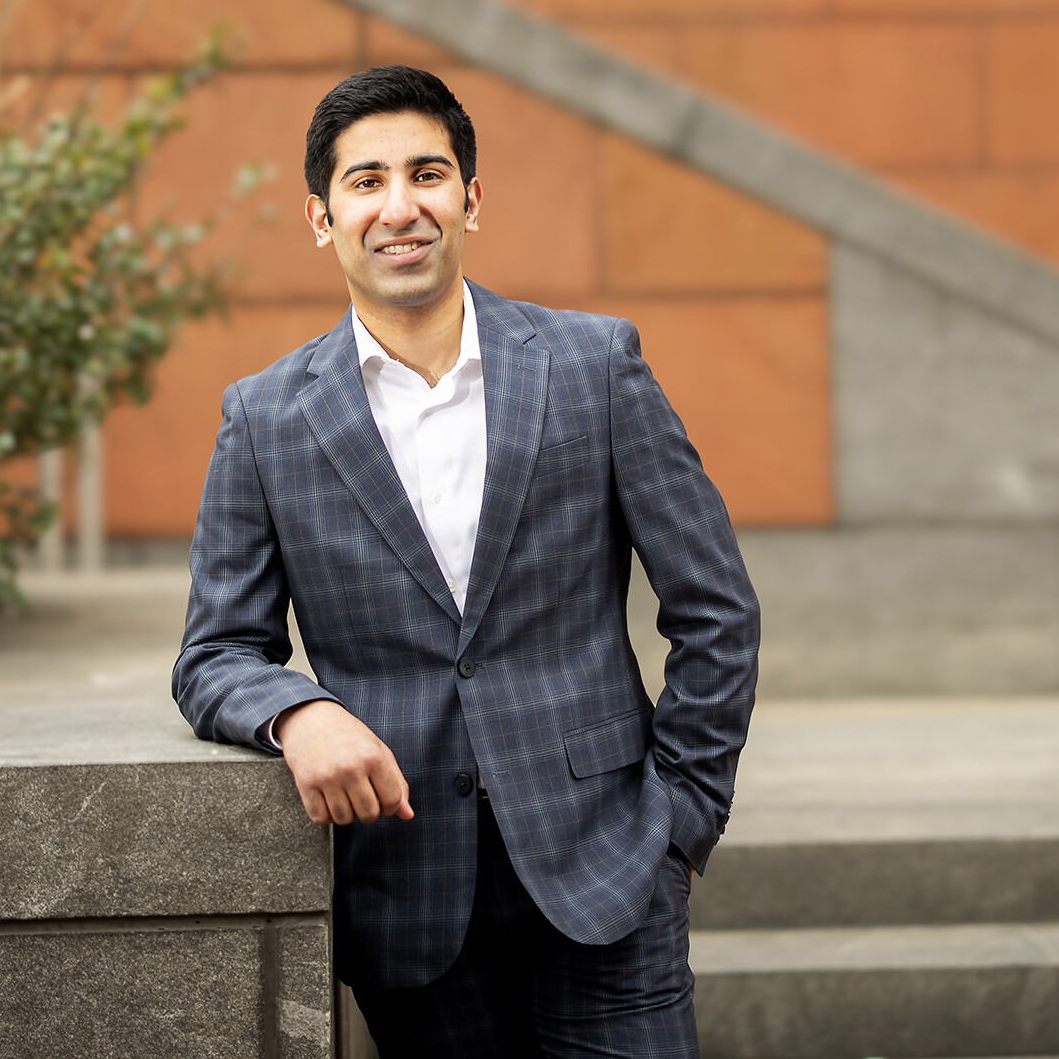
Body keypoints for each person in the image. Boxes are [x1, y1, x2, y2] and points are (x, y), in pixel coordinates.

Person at [172, 65, 759, 1057]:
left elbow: (713, 609)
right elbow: (213, 653)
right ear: (321, 219)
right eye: (365, 182)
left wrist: (680, 824)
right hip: (405, 897)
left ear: (469, 200)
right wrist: (297, 711)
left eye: (426, 174)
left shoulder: (591, 365)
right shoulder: (265, 419)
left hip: (609, 869)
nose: (399, 207)